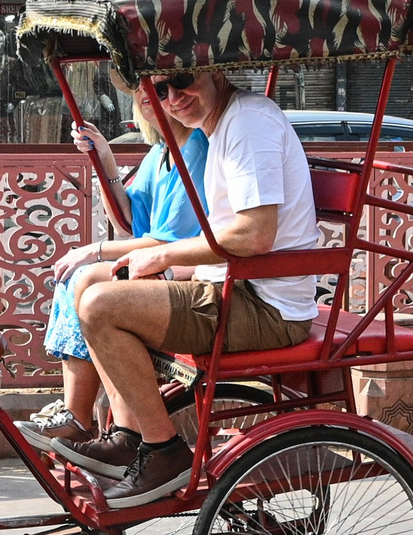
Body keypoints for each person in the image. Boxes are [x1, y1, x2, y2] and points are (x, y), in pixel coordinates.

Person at [55, 71, 324, 507]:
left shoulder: (247, 123)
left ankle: (163, 449)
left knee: (101, 306)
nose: (174, 98)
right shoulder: (222, 125)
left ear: (213, 70)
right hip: (229, 286)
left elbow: (255, 233)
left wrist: (164, 257)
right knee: (89, 283)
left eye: (182, 80)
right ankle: (128, 434)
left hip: (263, 307)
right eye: (161, 90)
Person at [20, 88, 210, 455]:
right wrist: (104, 159)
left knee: (87, 277)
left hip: (185, 272)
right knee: (75, 277)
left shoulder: (195, 150)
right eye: (140, 91)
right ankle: (79, 414)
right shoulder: (160, 152)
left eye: (158, 90)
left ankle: (100, 423)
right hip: (160, 265)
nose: (146, 96)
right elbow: (129, 220)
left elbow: (164, 241)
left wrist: (94, 250)